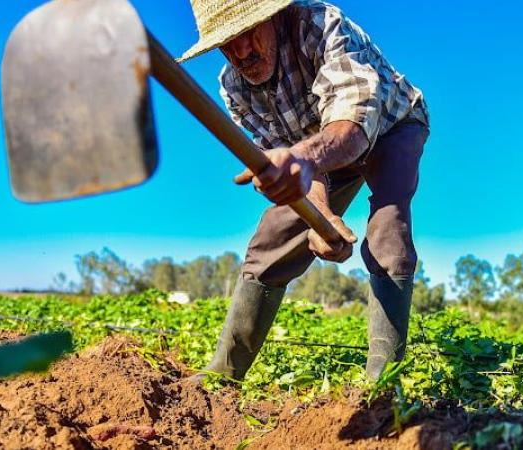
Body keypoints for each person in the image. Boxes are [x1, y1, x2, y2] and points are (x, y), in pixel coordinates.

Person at [178, 0, 429, 381]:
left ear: (273, 17)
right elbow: (297, 166)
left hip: (390, 125)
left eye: (247, 33)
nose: (240, 52)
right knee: (272, 240)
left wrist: (301, 159)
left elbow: (353, 120)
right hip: (316, 152)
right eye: (226, 43)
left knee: (387, 228)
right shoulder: (234, 88)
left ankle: (382, 383)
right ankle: (224, 374)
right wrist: (322, 218)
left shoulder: (320, 24)